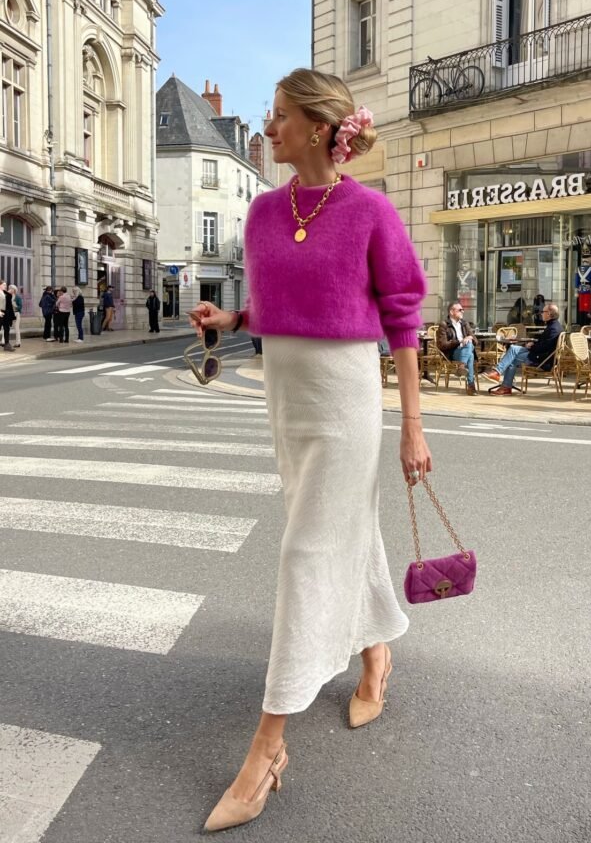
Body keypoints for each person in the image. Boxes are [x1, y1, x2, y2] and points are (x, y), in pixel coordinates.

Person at [190, 68, 431, 834]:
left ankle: (266, 749)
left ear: (322, 128)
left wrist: (413, 426)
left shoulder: (369, 211)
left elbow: (402, 319)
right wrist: (230, 322)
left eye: (280, 116)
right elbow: (273, 304)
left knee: (304, 553)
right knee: (339, 532)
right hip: (285, 399)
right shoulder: (264, 212)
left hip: (344, 398)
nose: (268, 128)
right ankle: (376, 655)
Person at [484, 302, 563, 394]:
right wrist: (533, 344)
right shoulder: (554, 326)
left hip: (542, 360)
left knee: (511, 359)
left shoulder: (553, 329)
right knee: (513, 348)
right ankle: (499, 376)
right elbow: (544, 344)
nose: (541, 314)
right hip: (538, 354)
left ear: (549, 313)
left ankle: (502, 381)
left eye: (543, 312)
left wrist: (532, 346)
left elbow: (544, 348)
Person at [436, 300, 478, 395]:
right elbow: (442, 345)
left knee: (470, 347)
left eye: (463, 310)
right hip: (452, 352)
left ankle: (462, 366)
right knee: (470, 353)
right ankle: (471, 386)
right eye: (460, 310)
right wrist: (460, 341)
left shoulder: (464, 323)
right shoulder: (444, 325)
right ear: (451, 312)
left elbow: (475, 340)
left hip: (465, 351)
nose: (462, 311)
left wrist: (470, 338)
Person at [0, 280, 14, 352]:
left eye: (5, 285)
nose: (5, 286)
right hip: (0, 312)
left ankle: (7, 344)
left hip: (5, 313)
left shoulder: (5, 293)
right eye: (4, 285)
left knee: (7, 328)